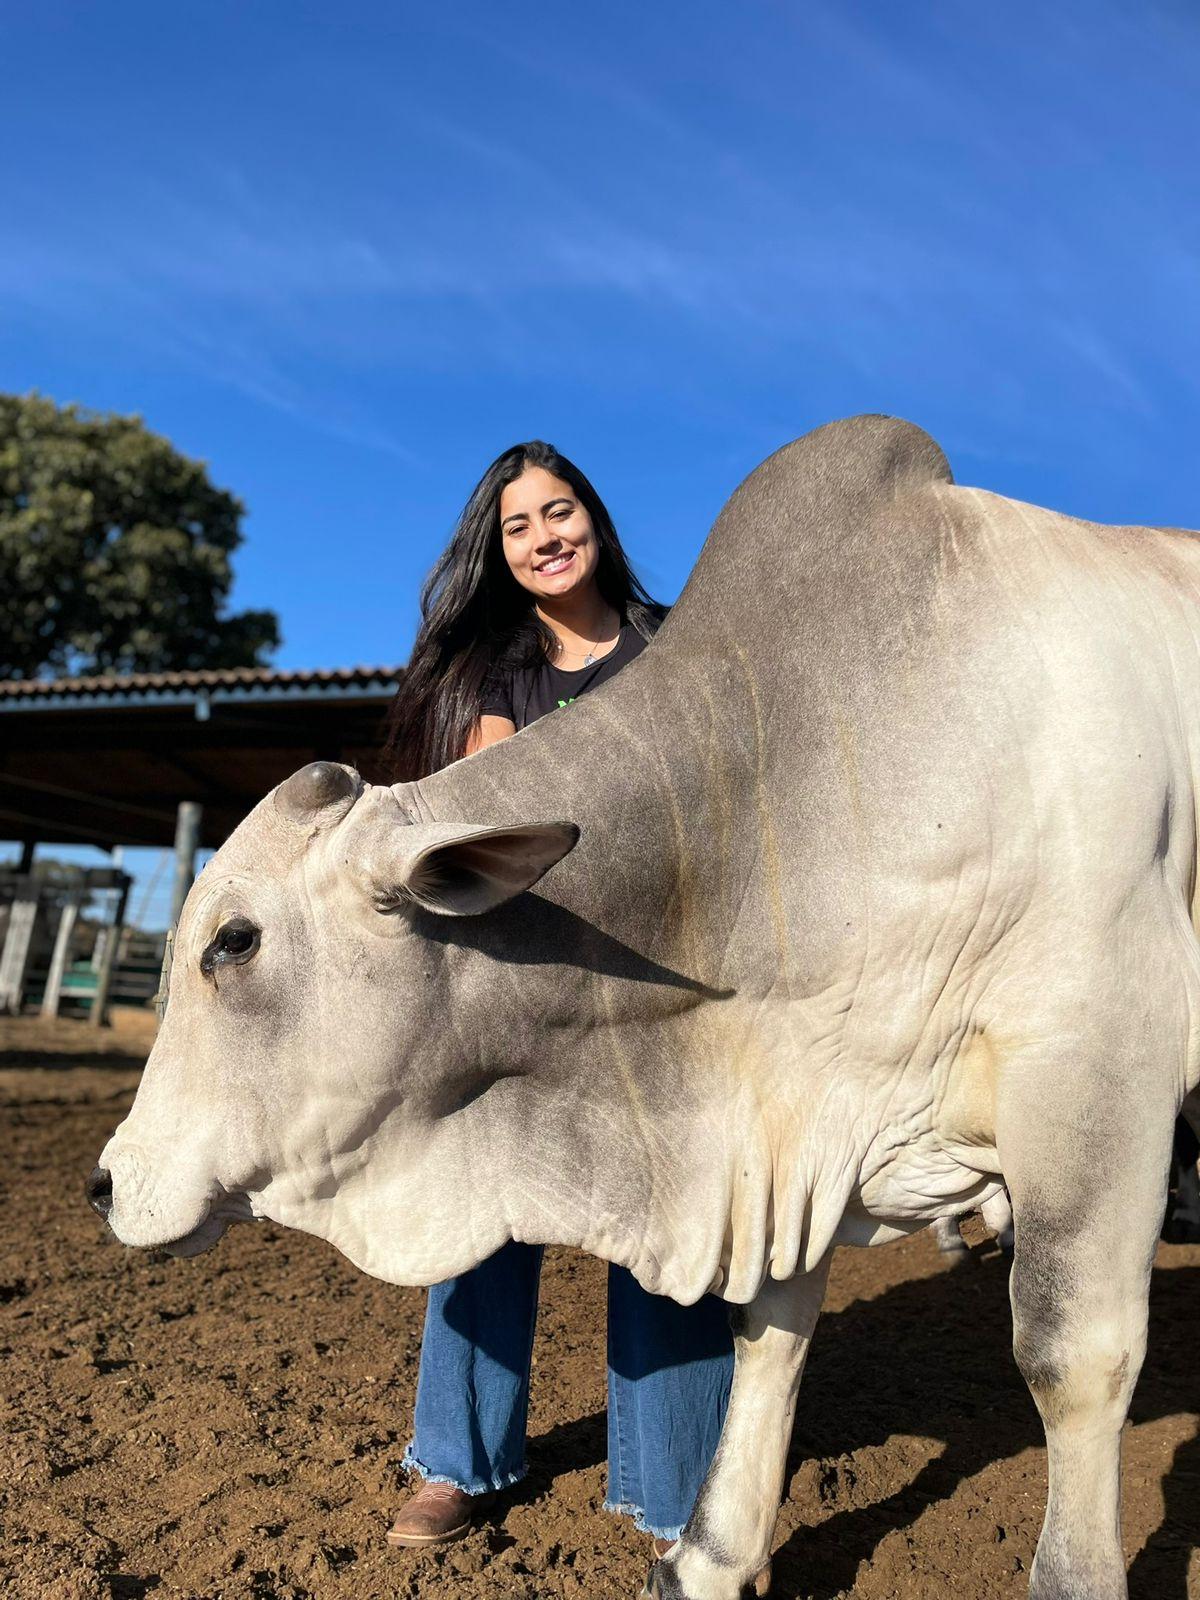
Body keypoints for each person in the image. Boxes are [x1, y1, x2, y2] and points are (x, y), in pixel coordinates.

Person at [382, 440, 736, 1563]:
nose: (543, 536)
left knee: (667, 1229)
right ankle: (455, 1458)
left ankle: (681, 1492)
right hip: (535, 978)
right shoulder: (500, 679)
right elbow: (494, 815)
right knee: (486, 1203)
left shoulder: (678, 645)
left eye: (559, 509)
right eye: (517, 525)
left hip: (663, 979)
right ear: (501, 553)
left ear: (595, 515)